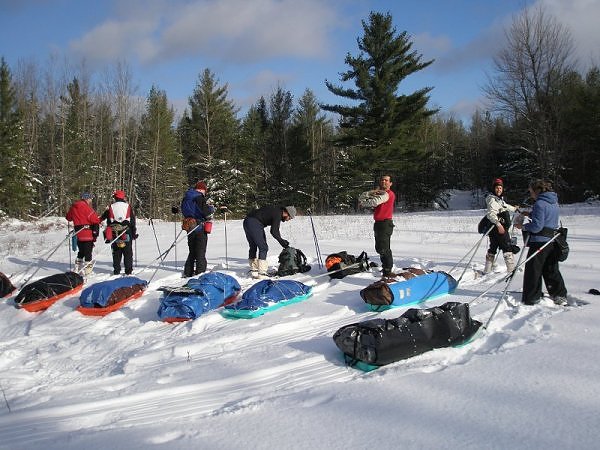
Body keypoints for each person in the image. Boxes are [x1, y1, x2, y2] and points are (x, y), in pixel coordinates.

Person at [515, 179, 567, 306]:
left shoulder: (539, 203)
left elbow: (537, 226)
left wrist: (523, 227)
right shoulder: (553, 201)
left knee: (534, 270)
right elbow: (547, 218)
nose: (531, 194)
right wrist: (531, 214)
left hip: (539, 241)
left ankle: (532, 297)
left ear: (537, 190)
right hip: (552, 241)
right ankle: (559, 294)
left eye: (531, 192)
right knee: (551, 268)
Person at [243, 205, 296, 278]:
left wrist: (281, 240)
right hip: (255, 223)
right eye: (290, 218)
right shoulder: (278, 213)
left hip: (247, 221)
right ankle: (262, 272)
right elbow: (274, 231)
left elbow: (274, 231)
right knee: (263, 247)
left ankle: (254, 270)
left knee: (253, 246)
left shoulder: (276, 210)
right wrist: (282, 241)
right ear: (287, 213)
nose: (289, 219)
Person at [483, 178, 520, 273]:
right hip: (498, 227)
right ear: (493, 189)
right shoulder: (492, 199)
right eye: (497, 188)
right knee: (507, 247)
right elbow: (491, 214)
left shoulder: (498, 199)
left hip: (495, 228)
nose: (499, 190)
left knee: (493, 247)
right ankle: (511, 271)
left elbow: (505, 206)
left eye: (500, 188)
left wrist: (514, 209)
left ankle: (487, 270)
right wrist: (499, 225)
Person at [181, 181, 215, 277]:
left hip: (189, 225)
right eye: (205, 190)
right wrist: (211, 209)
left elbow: (184, 210)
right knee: (200, 250)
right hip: (199, 225)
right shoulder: (199, 197)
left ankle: (188, 272)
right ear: (202, 190)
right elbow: (205, 211)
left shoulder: (186, 197)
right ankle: (200, 274)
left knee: (192, 250)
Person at [101, 190, 137, 275]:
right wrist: (134, 233)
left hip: (114, 232)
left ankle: (116, 270)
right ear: (123, 197)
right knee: (127, 252)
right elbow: (132, 221)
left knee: (116, 252)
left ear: (115, 197)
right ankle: (128, 271)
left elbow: (109, 221)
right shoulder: (128, 206)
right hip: (126, 231)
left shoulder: (111, 206)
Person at [66, 192, 101, 276]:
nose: (90, 201)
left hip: (78, 233)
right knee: (88, 252)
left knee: (81, 251)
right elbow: (95, 220)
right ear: (86, 199)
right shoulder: (87, 208)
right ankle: (87, 272)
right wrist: (95, 233)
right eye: (90, 199)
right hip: (87, 233)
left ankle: (77, 267)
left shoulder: (73, 207)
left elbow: (68, 218)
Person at [373, 175, 396, 276]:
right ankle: (385, 267)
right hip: (378, 223)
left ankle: (388, 271)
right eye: (382, 180)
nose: (384, 182)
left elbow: (374, 201)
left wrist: (372, 195)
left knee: (384, 248)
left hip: (385, 223)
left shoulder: (389, 194)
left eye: (386, 180)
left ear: (390, 183)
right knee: (379, 248)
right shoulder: (381, 194)